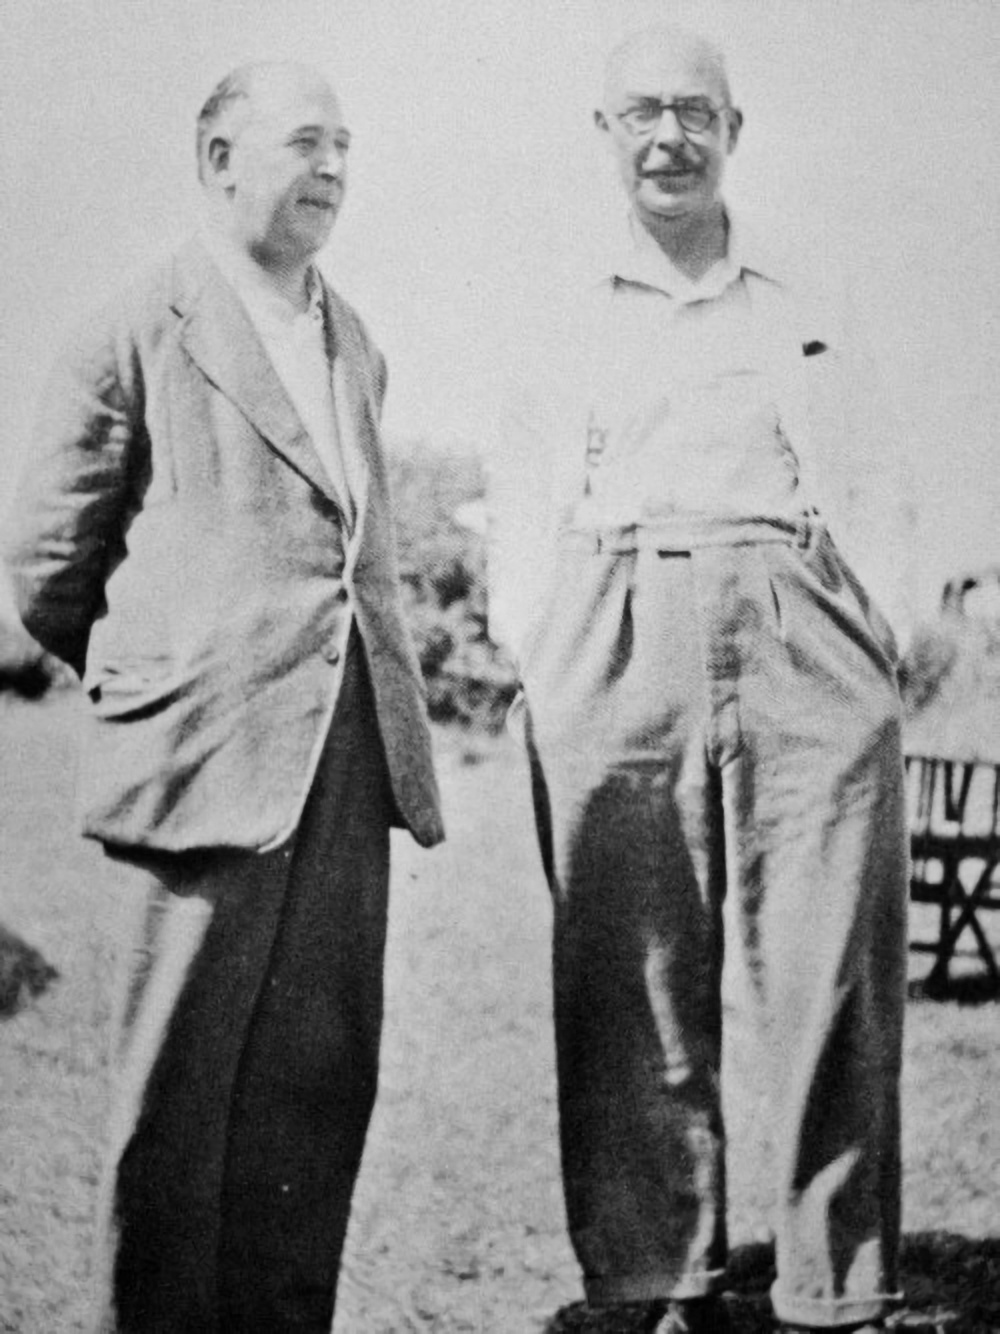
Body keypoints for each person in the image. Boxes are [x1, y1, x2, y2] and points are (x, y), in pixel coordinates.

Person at [4, 60, 443, 1333]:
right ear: (217, 160)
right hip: (196, 769)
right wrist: (174, 682)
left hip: (348, 769)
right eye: (305, 142)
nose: (333, 169)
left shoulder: (352, 339)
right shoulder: (134, 326)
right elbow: (46, 566)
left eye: (345, 146)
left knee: (314, 1100)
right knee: (176, 1113)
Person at [489, 25, 912, 1334]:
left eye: (694, 111)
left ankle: (834, 1282)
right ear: (603, 132)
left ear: (734, 130)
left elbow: (873, 470)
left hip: (797, 616)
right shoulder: (558, 297)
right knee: (629, 968)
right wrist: (542, 653)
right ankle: (649, 1271)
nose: (668, 136)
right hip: (614, 611)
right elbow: (521, 485)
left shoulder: (804, 291)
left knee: (830, 961)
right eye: (641, 113)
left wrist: (877, 637)